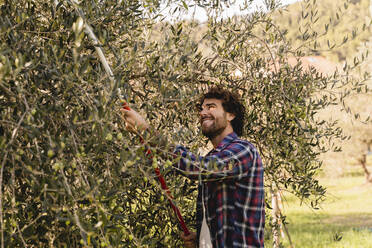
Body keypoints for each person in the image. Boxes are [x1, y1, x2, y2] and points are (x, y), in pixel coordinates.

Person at [121, 86, 265, 248]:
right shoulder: (213, 157)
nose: (203, 113)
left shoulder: (243, 150)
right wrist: (203, 239)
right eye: (201, 109)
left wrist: (146, 130)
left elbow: (199, 168)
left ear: (230, 115)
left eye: (211, 107)